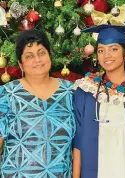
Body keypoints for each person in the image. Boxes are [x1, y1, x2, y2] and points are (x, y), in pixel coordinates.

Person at [72, 24, 125, 178]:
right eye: (101, 50)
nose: (106, 56)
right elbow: (79, 141)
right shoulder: (86, 91)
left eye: (113, 49)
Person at [0, 30, 76, 178]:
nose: (37, 59)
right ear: (21, 65)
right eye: (29, 56)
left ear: (50, 56)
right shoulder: (7, 94)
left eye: (41, 53)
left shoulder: (71, 92)